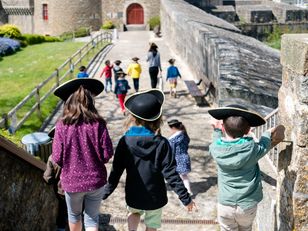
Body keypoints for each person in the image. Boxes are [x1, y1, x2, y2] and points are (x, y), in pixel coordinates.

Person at [102, 89, 196, 231]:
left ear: (133, 118)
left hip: (134, 192)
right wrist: (186, 198)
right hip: (155, 195)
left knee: (133, 213)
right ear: (158, 119)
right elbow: (171, 174)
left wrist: (105, 193)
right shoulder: (162, 143)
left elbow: (116, 172)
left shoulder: (125, 141)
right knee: (152, 223)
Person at [208, 104, 285, 231]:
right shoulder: (252, 150)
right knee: (246, 228)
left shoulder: (215, 149)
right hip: (247, 206)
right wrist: (267, 132)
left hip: (225, 204)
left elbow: (215, 142)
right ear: (248, 130)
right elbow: (265, 144)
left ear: (223, 128)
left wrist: (216, 130)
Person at [52, 78, 114, 231]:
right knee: (92, 217)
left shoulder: (61, 125)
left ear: (68, 102)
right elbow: (107, 154)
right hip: (96, 181)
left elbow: (57, 157)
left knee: (74, 216)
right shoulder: (99, 124)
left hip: (71, 182)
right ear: (90, 101)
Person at [43, 127, 68, 231]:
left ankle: (62, 228)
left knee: (62, 212)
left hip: (62, 193)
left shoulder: (52, 158)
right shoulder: (76, 154)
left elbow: (48, 178)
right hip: (78, 190)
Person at [167, 119, 192, 195]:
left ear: (173, 128)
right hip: (185, 157)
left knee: (180, 177)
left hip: (177, 159)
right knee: (184, 176)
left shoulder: (174, 139)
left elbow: (171, 150)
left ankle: (186, 192)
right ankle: (188, 191)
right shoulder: (184, 135)